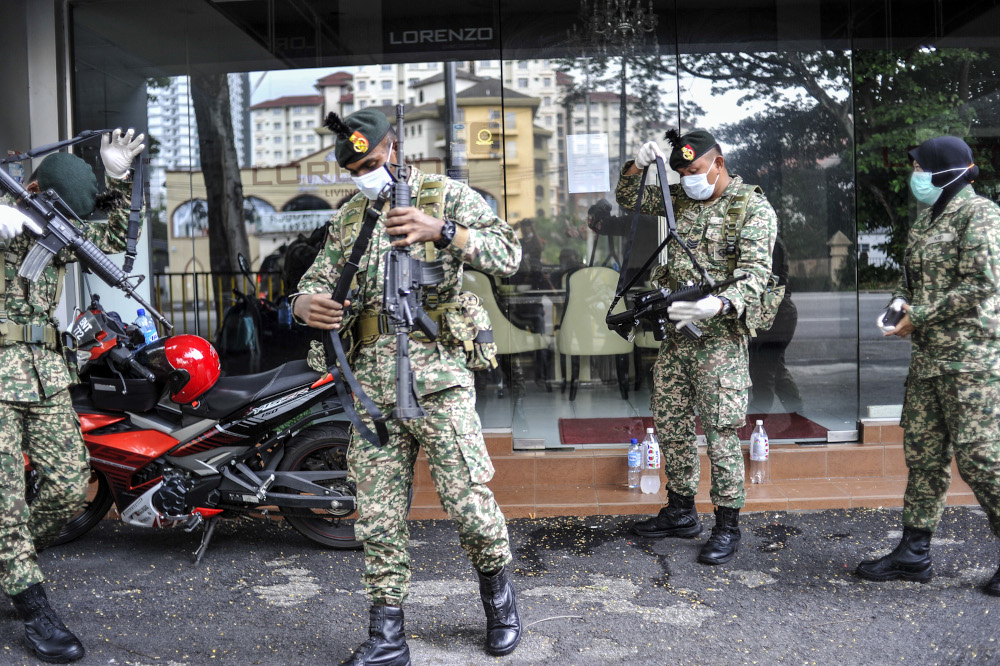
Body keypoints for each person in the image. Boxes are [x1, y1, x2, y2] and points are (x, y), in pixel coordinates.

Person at [291, 108, 522, 665]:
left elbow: (509, 255)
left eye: (372, 163)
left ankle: (500, 603)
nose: (366, 175)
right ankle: (388, 635)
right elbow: (312, 283)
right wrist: (305, 306)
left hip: (438, 380)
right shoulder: (351, 219)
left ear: (395, 149)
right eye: (356, 169)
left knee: (467, 502)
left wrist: (441, 230)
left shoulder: (446, 195)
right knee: (375, 515)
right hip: (372, 386)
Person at [0, 128, 144, 663]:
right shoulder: (8, 217)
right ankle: (31, 601)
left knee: (65, 486)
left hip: (44, 375)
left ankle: (11, 558)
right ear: (32, 188)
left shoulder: (55, 234)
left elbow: (108, 241)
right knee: (5, 500)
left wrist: (117, 180)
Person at [615, 128, 777, 566]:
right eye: (682, 172)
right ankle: (681, 511)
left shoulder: (750, 207)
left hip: (720, 340)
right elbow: (629, 198)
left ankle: (727, 523)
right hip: (678, 335)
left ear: (718, 163)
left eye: (696, 169)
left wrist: (720, 302)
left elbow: (756, 273)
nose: (688, 178)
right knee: (671, 424)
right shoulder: (679, 199)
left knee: (721, 434)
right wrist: (637, 164)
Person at [856, 135, 1000, 594]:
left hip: (971, 362)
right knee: (923, 455)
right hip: (929, 361)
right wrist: (899, 306)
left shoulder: (981, 214)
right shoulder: (926, 219)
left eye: (920, 167)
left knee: (980, 459)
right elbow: (910, 281)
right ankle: (914, 553)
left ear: (947, 170)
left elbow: (983, 284)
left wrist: (920, 315)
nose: (914, 176)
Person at [748, 236, 803, 414]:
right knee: (775, 370)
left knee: (762, 372)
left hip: (775, 314)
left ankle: (757, 422)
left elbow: (766, 281)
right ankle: (799, 419)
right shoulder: (768, 241)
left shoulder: (771, 243)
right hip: (774, 313)